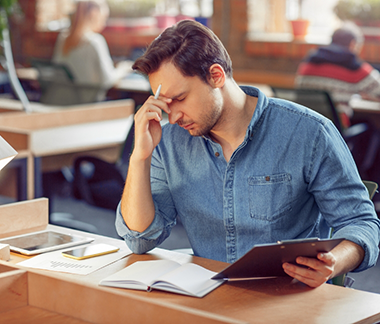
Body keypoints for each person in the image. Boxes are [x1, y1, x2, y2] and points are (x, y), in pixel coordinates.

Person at [115, 20, 380, 288]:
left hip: (288, 297)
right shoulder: (169, 140)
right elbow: (140, 240)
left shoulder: (309, 133)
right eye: (164, 104)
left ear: (216, 76)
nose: (172, 116)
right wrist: (140, 156)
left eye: (180, 99)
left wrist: (333, 261)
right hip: (209, 297)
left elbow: (361, 223)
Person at [295, 22, 380, 127]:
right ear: (353, 44)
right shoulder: (353, 66)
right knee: (372, 126)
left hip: (306, 126)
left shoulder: (308, 62)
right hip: (335, 131)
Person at [52, 0, 132, 101]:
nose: (104, 23)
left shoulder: (63, 38)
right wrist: (123, 69)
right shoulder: (95, 41)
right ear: (94, 13)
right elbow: (107, 80)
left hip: (63, 103)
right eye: (104, 18)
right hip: (88, 106)